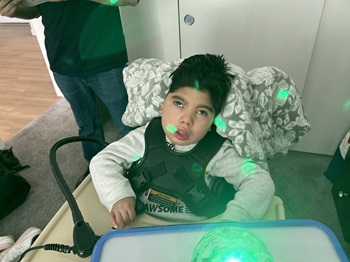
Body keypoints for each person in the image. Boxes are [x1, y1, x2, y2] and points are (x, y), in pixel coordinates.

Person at [90, 54, 275, 229]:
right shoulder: (144, 138)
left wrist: (233, 221)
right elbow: (103, 160)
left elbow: (259, 181)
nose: (187, 120)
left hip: (197, 232)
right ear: (162, 106)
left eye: (202, 112)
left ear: (213, 122)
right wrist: (118, 196)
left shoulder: (218, 153)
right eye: (178, 104)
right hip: (140, 225)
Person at [0, 0, 139, 177]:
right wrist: (12, 11)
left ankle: (141, 167)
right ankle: (96, 171)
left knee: (126, 122)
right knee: (86, 126)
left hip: (106, 60)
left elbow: (129, 1)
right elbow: (35, 11)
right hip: (62, 63)